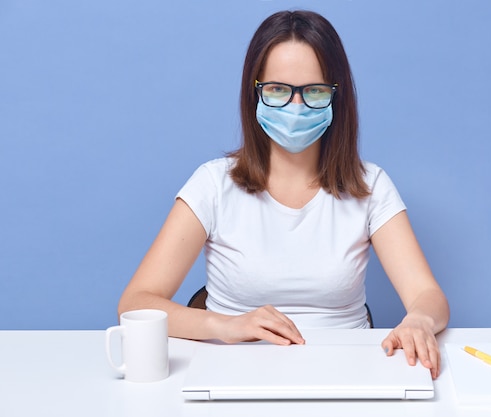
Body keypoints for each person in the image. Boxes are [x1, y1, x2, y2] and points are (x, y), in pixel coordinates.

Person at [118, 10, 449, 378]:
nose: (295, 107)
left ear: (336, 96)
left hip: (345, 374)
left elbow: (428, 296)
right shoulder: (213, 184)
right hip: (233, 372)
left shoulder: (371, 186)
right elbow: (136, 302)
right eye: (277, 89)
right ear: (255, 91)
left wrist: (419, 319)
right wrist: (224, 326)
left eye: (314, 91)